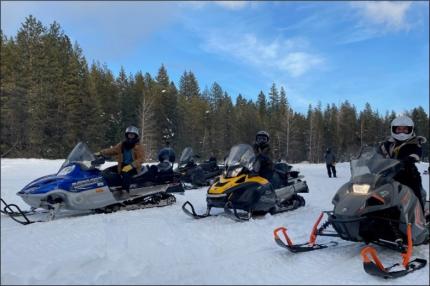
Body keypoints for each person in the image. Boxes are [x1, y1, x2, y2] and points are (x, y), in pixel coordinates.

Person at [378, 115, 427, 212]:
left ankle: (419, 214)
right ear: (393, 129)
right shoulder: (387, 143)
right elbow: (377, 152)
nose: (401, 132)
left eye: (405, 129)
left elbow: (417, 153)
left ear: (410, 130)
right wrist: (368, 159)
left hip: (407, 173)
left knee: (414, 191)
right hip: (386, 173)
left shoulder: (414, 142)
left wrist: (409, 159)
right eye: (399, 129)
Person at [96, 125, 144, 194]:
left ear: (135, 136)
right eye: (129, 135)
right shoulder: (122, 145)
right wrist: (101, 153)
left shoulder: (138, 146)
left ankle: (125, 192)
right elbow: (112, 150)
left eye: (132, 135)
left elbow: (141, 159)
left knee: (125, 173)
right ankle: (104, 189)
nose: (130, 137)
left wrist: (131, 166)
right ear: (126, 135)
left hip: (134, 167)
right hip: (122, 165)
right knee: (107, 171)